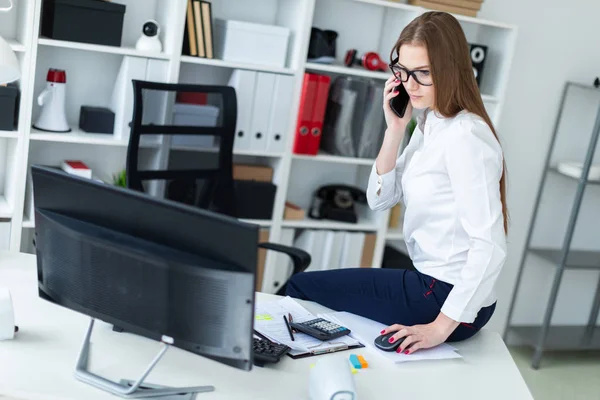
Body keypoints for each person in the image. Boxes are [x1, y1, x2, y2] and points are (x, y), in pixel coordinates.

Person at [285, 11, 508, 355]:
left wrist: (438, 328)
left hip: (446, 297)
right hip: (433, 283)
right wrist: (395, 129)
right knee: (317, 293)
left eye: (423, 73)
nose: (409, 84)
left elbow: (490, 245)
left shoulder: (466, 136)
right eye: (402, 71)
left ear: (451, 70)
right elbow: (380, 199)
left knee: (299, 286)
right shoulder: (432, 121)